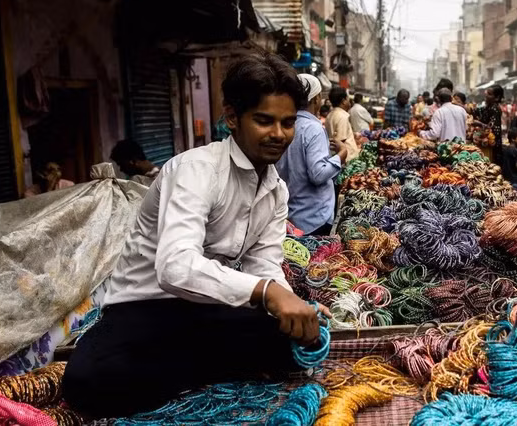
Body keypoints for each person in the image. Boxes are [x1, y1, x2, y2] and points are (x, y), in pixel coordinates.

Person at [62, 53, 331, 418]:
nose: (279, 134)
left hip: (207, 306)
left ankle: (192, 366)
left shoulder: (275, 191)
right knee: (86, 381)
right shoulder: (195, 170)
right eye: (264, 120)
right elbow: (175, 267)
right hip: (145, 307)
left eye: (287, 123)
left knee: (293, 341)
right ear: (232, 118)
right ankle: (210, 365)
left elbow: (264, 265)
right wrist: (269, 293)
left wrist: (292, 306)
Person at [277, 74, 348, 236]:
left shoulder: (287, 125)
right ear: (316, 99)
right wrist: (341, 155)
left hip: (292, 214)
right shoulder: (313, 128)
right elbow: (318, 174)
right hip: (314, 217)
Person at [325, 87, 359, 162]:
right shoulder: (342, 116)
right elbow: (340, 142)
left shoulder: (329, 115)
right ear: (343, 101)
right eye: (347, 98)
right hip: (347, 160)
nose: (349, 101)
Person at [474, 84, 505, 165]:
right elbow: (474, 111)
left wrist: (479, 124)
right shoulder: (488, 107)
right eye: (487, 93)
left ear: (497, 98)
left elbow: (493, 130)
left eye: (489, 94)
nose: (486, 95)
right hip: (486, 145)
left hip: (491, 147)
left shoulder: (495, 109)